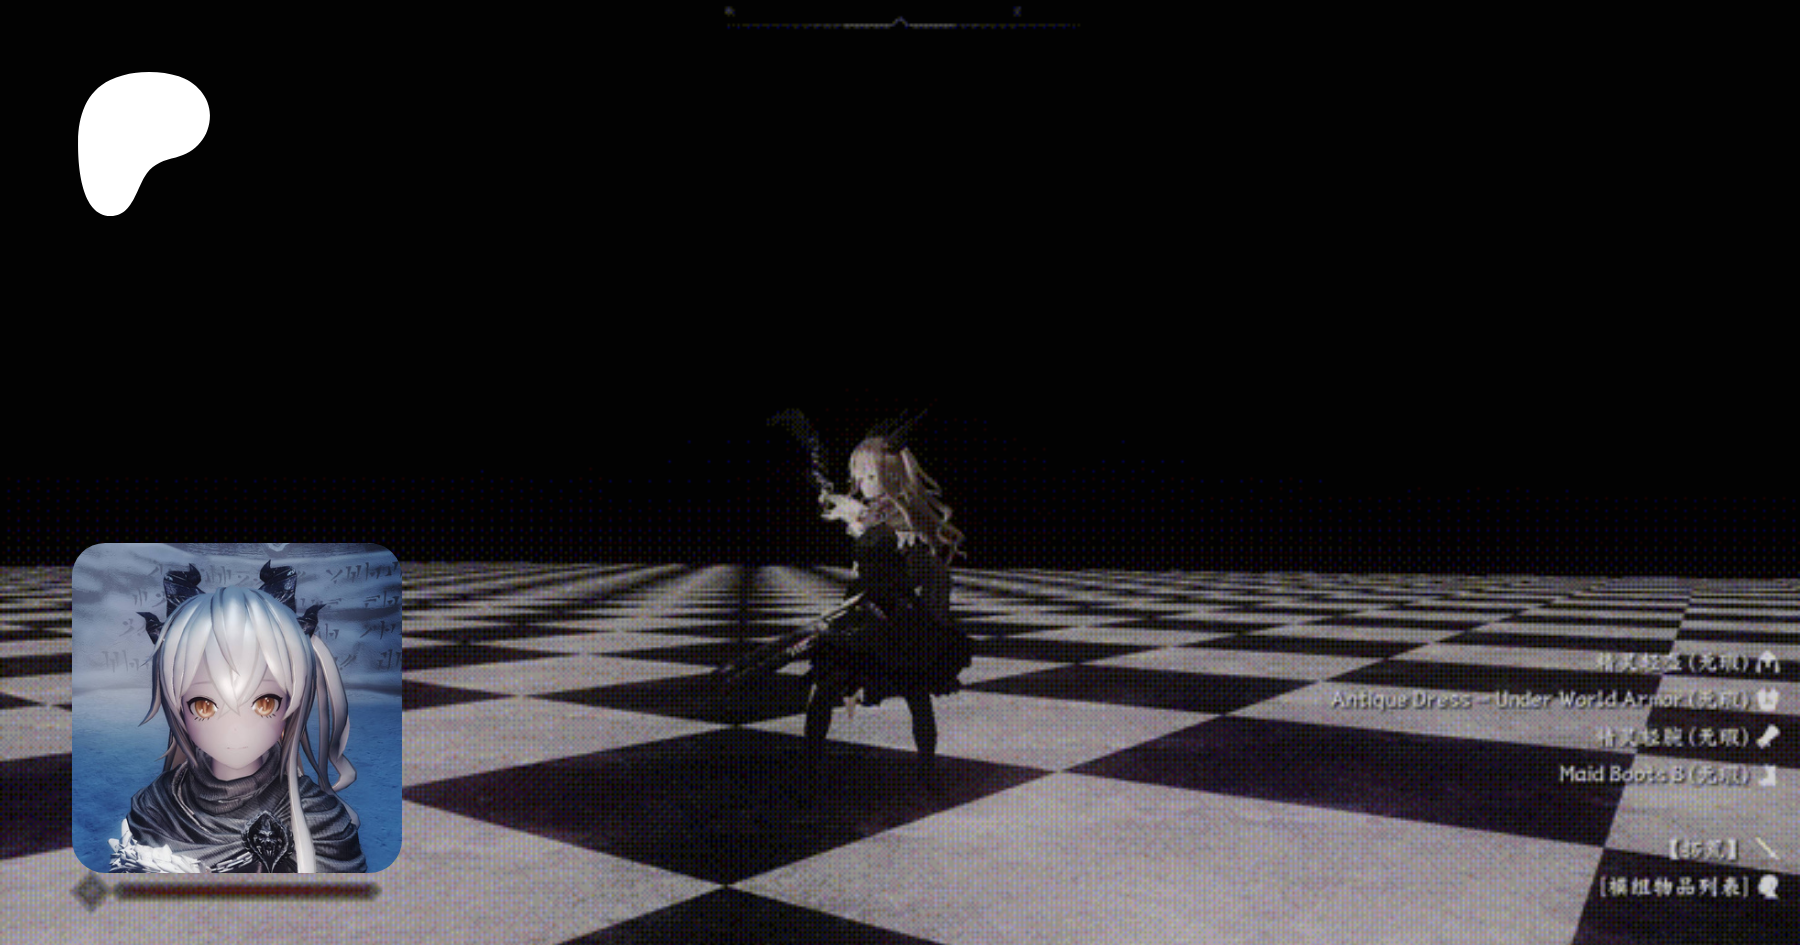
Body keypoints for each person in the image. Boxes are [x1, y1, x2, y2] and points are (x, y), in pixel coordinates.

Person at [106, 568, 364, 872]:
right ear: (179, 709)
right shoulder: (153, 807)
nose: (235, 729)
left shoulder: (320, 818)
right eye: (205, 705)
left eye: (264, 703)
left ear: (292, 703)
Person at [807, 428, 971, 791]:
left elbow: (923, 568)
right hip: (861, 611)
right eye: (859, 476)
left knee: (915, 695)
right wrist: (840, 508)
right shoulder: (871, 515)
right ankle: (810, 766)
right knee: (825, 688)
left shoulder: (900, 520)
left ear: (892, 476)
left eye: (870, 476)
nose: (862, 484)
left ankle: (926, 772)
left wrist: (847, 511)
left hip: (896, 619)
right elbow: (861, 542)